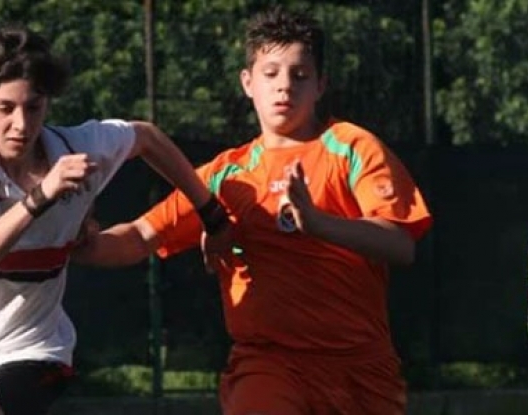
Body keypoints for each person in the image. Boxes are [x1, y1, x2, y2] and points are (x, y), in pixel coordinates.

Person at [72, 6, 431, 415]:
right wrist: (75, 242)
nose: (285, 87)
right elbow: (141, 236)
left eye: (300, 75)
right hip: (269, 364)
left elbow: (401, 245)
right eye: (271, 73)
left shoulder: (353, 147)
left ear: (321, 85)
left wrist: (318, 224)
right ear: (248, 82)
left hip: (361, 370)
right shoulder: (227, 176)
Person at [0, 24, 228, 415]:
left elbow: (146, 137)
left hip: (35, 349)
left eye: (34, 107)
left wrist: (211, 214)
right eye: (5, 108)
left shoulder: (77, 148)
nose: (21, 124)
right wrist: (40, 197)